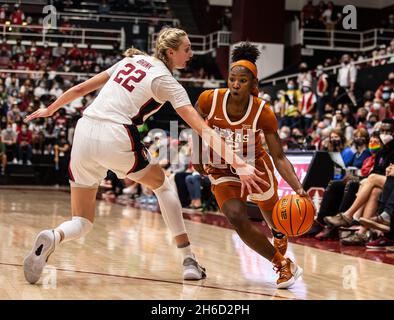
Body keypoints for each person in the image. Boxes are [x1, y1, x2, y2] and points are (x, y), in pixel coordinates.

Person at [23, 28, 266, 285]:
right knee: (164, 184)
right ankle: (188, 259)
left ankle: (54, 235)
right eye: (187, 49)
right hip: (115, 134)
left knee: (82, 221)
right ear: (171, 52)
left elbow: (82, 88)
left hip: (83, 131)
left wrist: (50, 109)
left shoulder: (129, 60)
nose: (191, 54)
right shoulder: (167, 81)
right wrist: (239, 163)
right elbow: (202, 129)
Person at [193, 43, 306, 289]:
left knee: (272, 213)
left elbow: (278, 156)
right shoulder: (210, 99)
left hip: (255, 164)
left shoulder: (263, 112)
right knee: (236, 216)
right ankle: (282, 264)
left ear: (253, 85)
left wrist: (298, 187)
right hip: (221, 166)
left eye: (242, 81)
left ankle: (278, 233)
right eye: (232, 79)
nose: (235, 84)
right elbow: (194, 120)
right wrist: (197, 154)